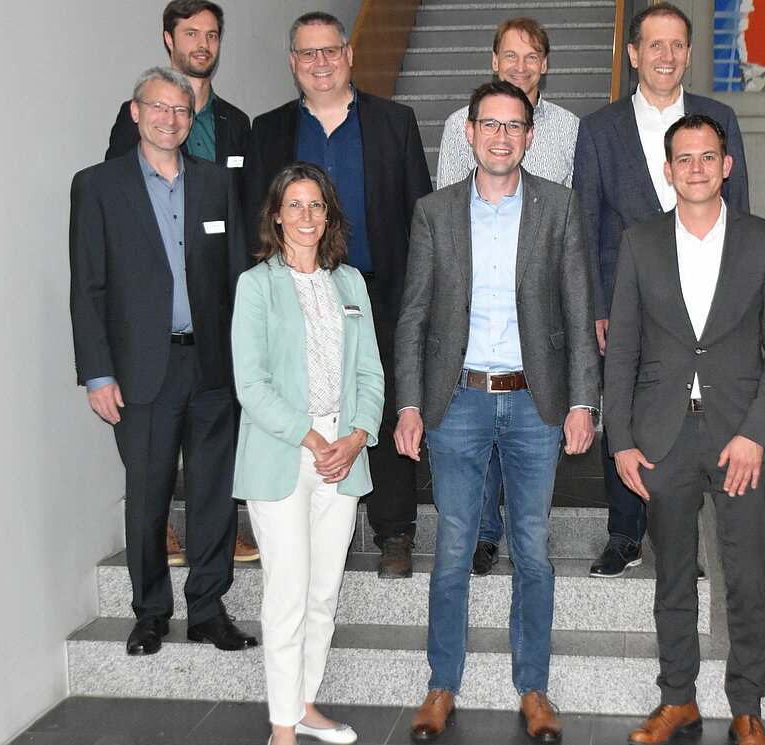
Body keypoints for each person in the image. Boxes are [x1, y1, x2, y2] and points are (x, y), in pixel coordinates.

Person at [395, 81, 597, 743]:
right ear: (469, 132)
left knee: (532, 550)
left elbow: (576, 307)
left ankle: (532, 687)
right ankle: (440, 684)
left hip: (535, 402)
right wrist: (410, 403)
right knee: (453, 548)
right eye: (491, 125)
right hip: (458, 401)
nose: (502, 136)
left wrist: (580, 401)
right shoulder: (434, 211)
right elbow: (414, 315)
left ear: (531, 135)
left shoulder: (559, 207)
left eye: (515, 125)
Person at [605, 114, 765, 745]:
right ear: (668, 170)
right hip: (663, 436)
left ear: (727, 165)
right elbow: (624, 346)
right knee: (673, 574)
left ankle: (747, 704)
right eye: (683, 158)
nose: (695, 168)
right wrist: (622, 440)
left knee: (746, 575)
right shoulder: (640, 242)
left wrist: (756, 435)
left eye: (707, 157)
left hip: (740, 435)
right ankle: (678, 699)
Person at [68, 66, 257, 657]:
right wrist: (97, 373)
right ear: (135, 112)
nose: (170, 120)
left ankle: (207, 608)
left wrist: (246, 362)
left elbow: (237, 280)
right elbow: (88, 287)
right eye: (159, 108)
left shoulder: (215, 184)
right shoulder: (98, 186)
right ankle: (150, 611)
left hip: (212, 368)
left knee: (212, 496)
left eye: (181, 111)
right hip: (140, 371)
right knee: (148, 497)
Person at [573, 1, 751, 578]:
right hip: (628, 301)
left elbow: (741, 217)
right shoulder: (600, 129)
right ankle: (624, 533)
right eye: (655, 45)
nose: (666, 56)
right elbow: (587, 224)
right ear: (633, 55)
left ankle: (678, 535)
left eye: (677, 45)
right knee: (623, 404)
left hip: (701, 304)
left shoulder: (718, 117)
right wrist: (599, 305)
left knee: (686, 405)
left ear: (690, 53)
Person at [252, 11, 432, 578]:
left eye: (330, 50)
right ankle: (308, 517)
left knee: (378, 400)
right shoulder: (268, 130)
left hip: (377, 294)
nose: (321, 62)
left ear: (349, 55)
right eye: (308, 53)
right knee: (306, 403)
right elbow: (256, 217)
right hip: (297, 293)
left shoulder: (394, 123)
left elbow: (418, 214)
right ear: (293, 62)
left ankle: (394, 531)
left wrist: (418, 297)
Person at [231, 162, 383, 745]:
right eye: (294, 205)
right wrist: (314, 438)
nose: (306, 216)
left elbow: (370, 373)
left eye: (316, 205)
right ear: (276, 215)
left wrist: (356, 435)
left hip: (342, 456)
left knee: (323, 592)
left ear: (329, 215)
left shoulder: (350, 285)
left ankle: (306, 705)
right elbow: (252, 384)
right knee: (289, 593)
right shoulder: (257, 286)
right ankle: (281, 729)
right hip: (284, 454)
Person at [104, 0, 260, 564]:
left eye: (212, 34)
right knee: (150, 475)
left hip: (213, 336)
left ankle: (210, 573)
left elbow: (243, 232)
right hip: (150, 343)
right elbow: (112, 247)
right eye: (190, 33)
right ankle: (158, 573)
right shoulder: (124, 145)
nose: (202, 43)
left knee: (215, 468)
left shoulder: (235, 125)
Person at [432, 16, 579, 577]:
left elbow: (573, 204)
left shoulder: (566, 127)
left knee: (523, 415)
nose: (520, 65)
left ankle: (518, 537)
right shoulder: (457, 125)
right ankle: (484, 534)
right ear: (494, 60)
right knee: (477, 410)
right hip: (479, 291)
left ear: (545, 65)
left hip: (540, 298)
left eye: (532, 56)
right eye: (510, 56)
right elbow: (447, 198)